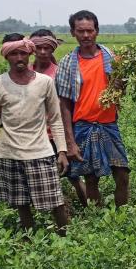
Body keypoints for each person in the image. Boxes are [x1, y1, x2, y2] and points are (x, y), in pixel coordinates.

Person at [0, 34, 69, 234]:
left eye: (22, 53)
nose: (19, 58)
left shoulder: (44, 82)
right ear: (6, 56)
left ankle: (66, 236)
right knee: (20, 202)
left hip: (40, 151)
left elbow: (55, 118)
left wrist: (62, 151)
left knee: (55, 200)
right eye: (13, 54)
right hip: (9, 152)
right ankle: (29, 238)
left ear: (29, 54)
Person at [55, 10, 130, 207]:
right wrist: (69, 143)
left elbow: (121, 89)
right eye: (81, 31)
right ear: (73, 33)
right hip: (83, 126)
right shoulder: (67, 64)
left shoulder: (112, 58)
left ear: (97, 31)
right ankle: (96, 219)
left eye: (90, 30)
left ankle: (121, 218)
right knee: (90, 178)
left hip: (108, 125)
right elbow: (64, 105)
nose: (86, 35)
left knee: (122, 174)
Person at [29, 29, 88, 207]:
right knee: (40, 178)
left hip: (58, 133)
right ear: (32, 49)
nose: (43, 52)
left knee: (74, 176)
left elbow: (69, 105)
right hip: (34, 135)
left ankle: (90, 210)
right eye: (39, 48)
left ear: (53, 49)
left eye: (47, 48)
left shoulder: (59, 72)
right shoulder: (26, 72)